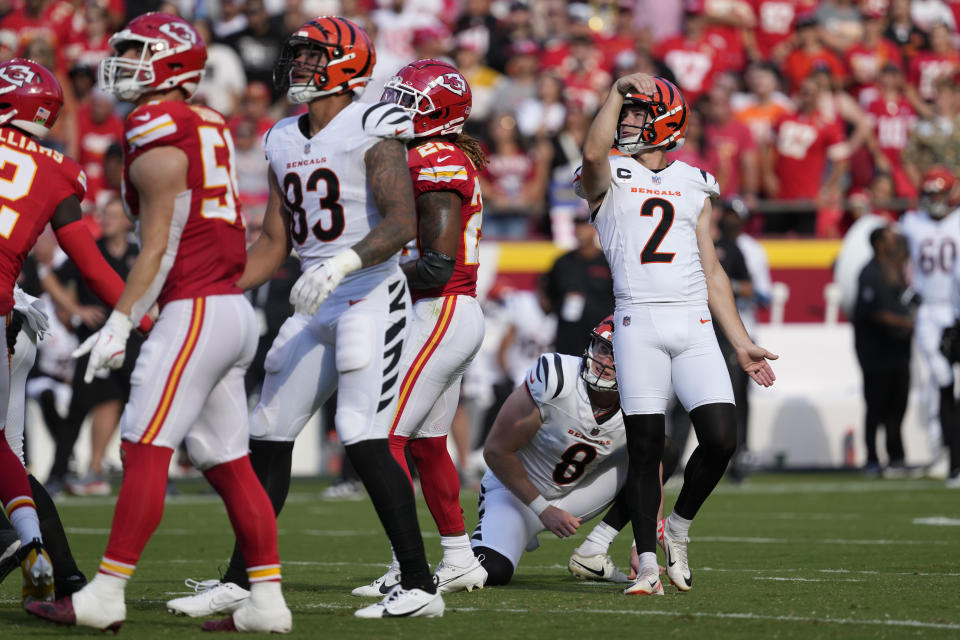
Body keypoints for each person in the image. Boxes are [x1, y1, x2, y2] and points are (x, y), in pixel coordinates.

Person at [165, 16, 442, 620]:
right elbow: (271, 240)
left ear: (346, 66)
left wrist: (341, 263)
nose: (300, 67)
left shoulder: (373, 124)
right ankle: (244, 579)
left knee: (362, 433)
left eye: (313, 57)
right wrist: (211, 291)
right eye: (298, 57)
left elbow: (401, 223)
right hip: (316, 298)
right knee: (267, 431)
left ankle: (420, 586)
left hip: (369, 291)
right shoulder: (281, 138)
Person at [24, 13, 291, 633]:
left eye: (137, 52)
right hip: (228, 308)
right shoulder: (209, 121)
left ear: (172, 63)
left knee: (143, 446)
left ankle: (107, 594)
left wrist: (121, 320)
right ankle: (268, 604)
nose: (122, 63)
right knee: (227, 461)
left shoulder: (155, 120)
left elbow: (159, 244)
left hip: (195, 307)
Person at [577, 73, 777, 596]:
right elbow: (593, 150)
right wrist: (619, 90)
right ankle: (646, 565)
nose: (628, 121)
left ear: (665, 124)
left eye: (639, 113)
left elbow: (712, 270)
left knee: (721, 438)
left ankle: (679, 527)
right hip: (637, 319)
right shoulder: (610, 172)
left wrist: (741, 341)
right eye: (628, 112)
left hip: (694, 321)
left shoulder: (694, 181)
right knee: (647, 448)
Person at [0, 57, 155, 606]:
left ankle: (15, 542)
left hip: (11, 313)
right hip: (12, 322)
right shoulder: (60, 169)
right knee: (7, 459)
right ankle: (61, 576)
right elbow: (90, 264)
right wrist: (144, 318)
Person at [352, 59, 489, 597]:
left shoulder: (436, 157)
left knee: (383, 437)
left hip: (439, 307)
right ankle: (459, 558)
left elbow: (434, 263)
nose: (395, 110)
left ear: (436, 113)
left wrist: (362, 272)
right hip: (442, 310)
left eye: (408, 101)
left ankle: (405, 566)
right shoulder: (426, 154)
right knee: (429, 443)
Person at [471, 316, 678, 585]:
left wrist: (643, 547)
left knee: (660, 451)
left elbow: (650, 470)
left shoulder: (638, 401)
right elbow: (496, 452)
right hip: (515, 494)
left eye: (617, 355)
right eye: (604, 349)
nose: (605, 362)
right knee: (492, 572)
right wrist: (542, 509)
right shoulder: (557, 377)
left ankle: (594, 549)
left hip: (574, 493)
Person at [898, 167, 959, 474]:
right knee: (940, 377)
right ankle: (944, 451)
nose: (934, 200)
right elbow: (896, 257)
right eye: (930, 194)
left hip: (956, 308)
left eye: (939, 193)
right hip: (928, 312)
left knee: (948, 380)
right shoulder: (912, 223)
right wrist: (906, 288)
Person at [853, 226, 913, 475]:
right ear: (879, 244)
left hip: (898, 351)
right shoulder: (869, 273)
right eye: (890, 240)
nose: (896, 243)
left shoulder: (896, 272)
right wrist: (907, 323)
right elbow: (874, 312)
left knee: (898, 405)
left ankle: (896, 457)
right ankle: (872, 459)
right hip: (876, 353)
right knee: (876, 407)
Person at [542, 206, 614, 357]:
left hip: (600, 342)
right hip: (567, 340)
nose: (580, 230)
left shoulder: (608, 263)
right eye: (577, 225)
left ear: (594, 229)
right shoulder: (562, 263)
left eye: (584, 225)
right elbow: (547, 296)